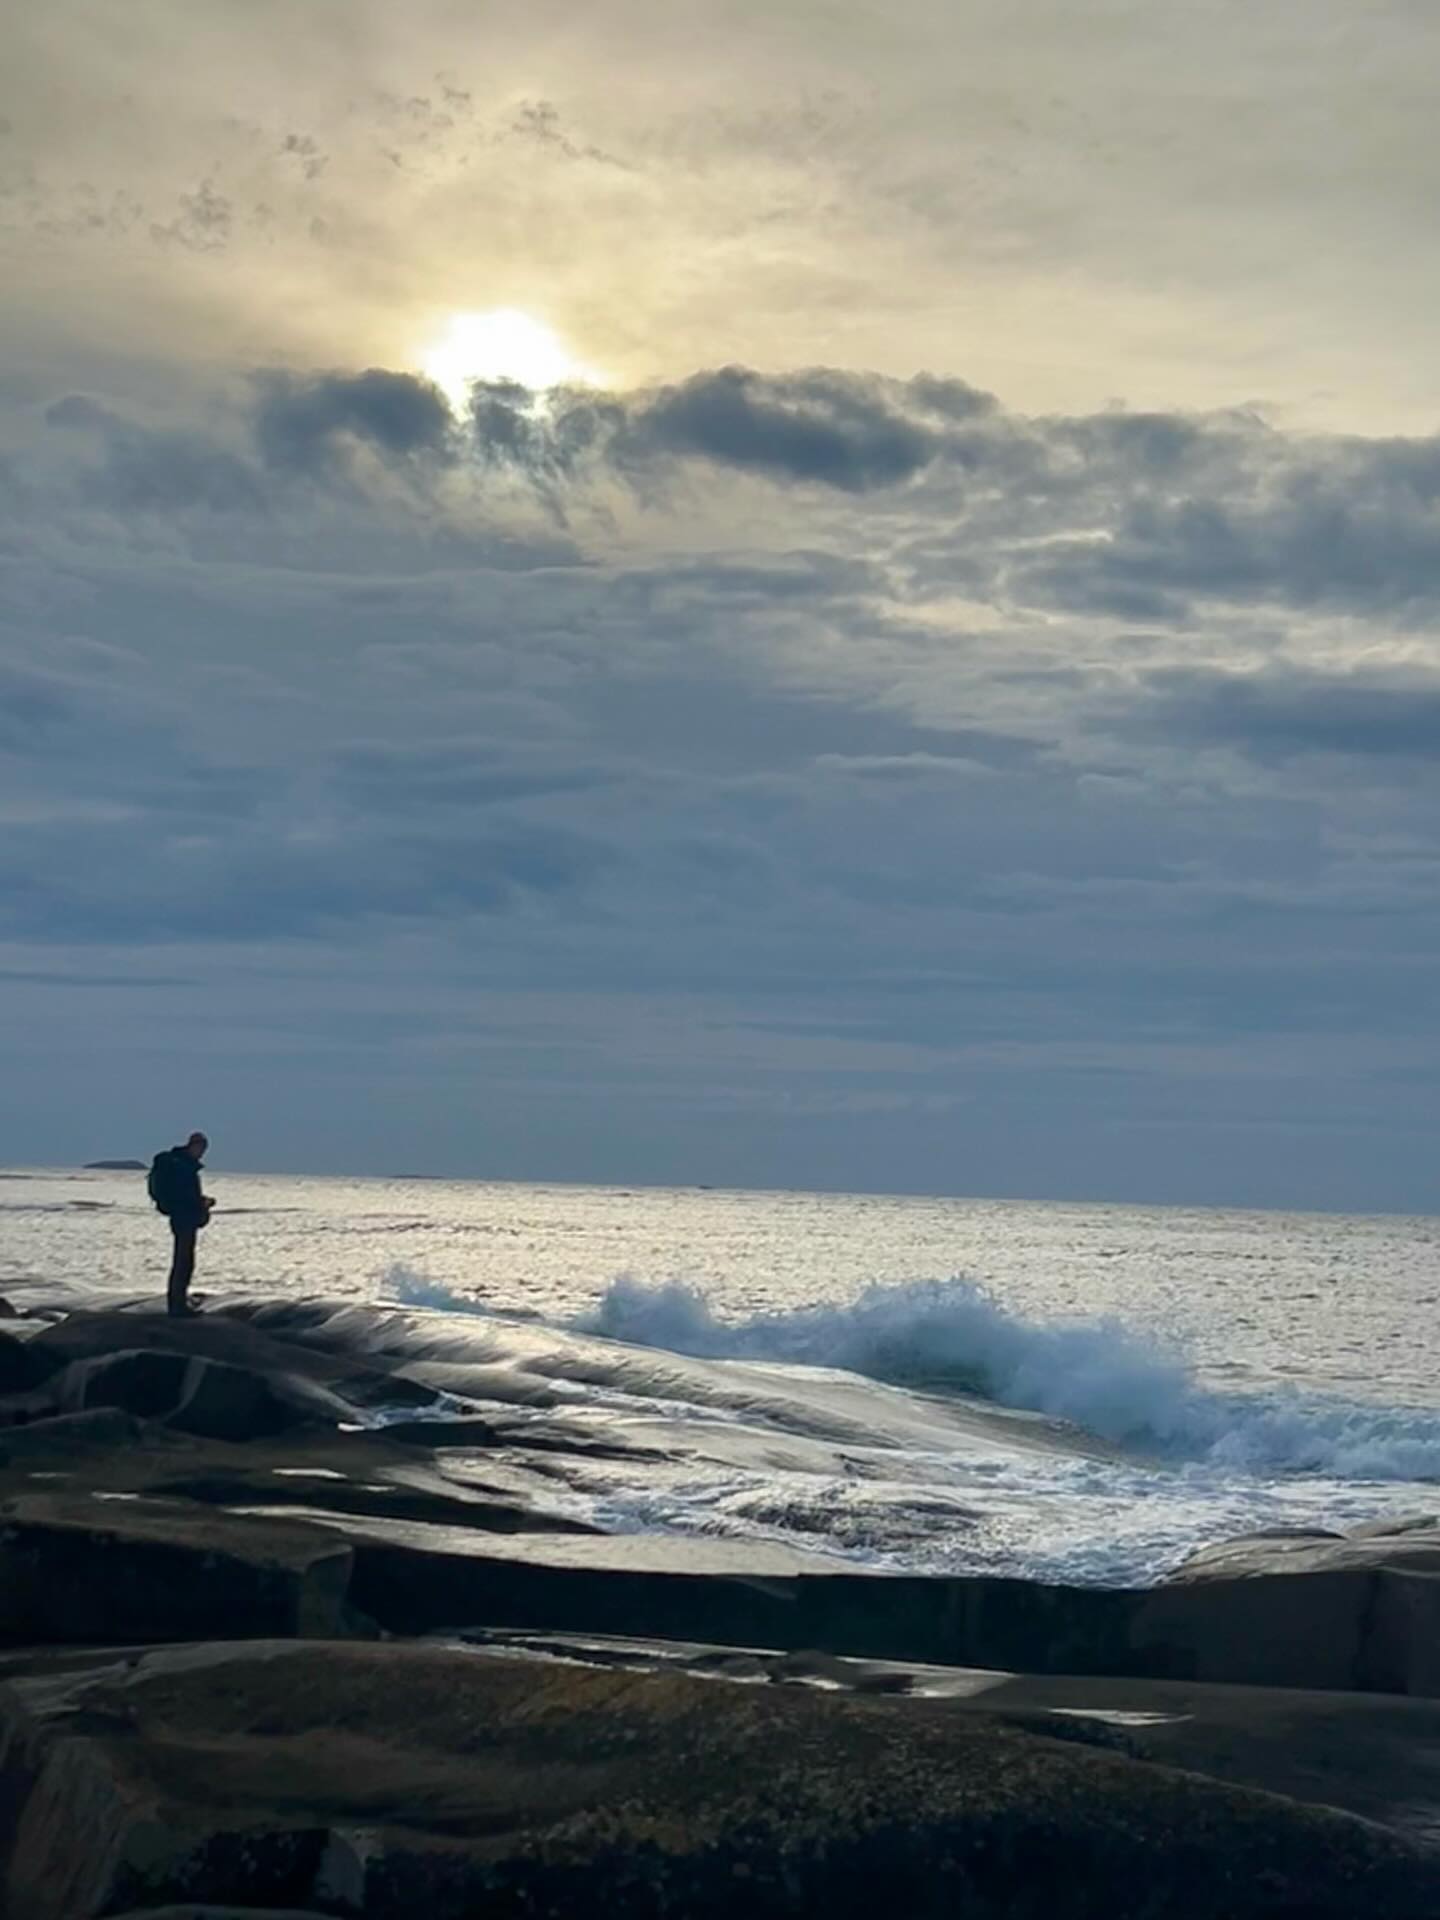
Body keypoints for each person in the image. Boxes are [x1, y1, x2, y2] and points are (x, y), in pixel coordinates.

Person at [147, 1131, 214, 1317]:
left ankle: (178, 1303)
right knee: (184, 1262)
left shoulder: (182, 1165)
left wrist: (200, 1202)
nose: (202, 1153)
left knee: (183, 1261)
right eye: (201, 1148)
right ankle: (177, 1306)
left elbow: (185, 1194)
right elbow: (186, 1195)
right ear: (193, 1146)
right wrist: (202, 1203)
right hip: (184, 1217)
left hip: (181, 1216)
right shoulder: (183, 1167)